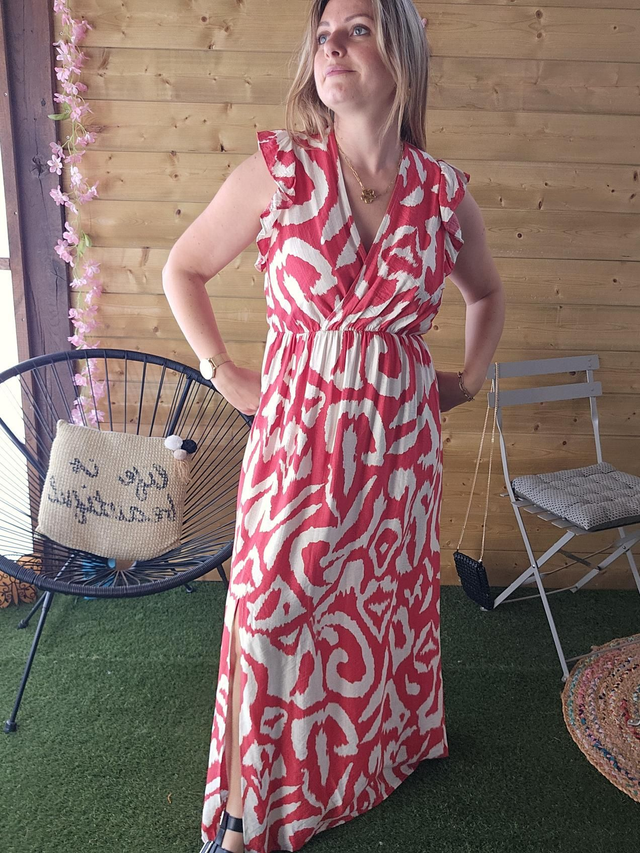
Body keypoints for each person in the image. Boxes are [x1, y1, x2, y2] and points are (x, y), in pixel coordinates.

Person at [162, 0, 505, 851]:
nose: (332, 46)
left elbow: (487, 292)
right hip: (296, 445)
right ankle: (247, 811)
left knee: (380, 610)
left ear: (402, 54)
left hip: (399, 453)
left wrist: (468, 379)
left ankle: (377, 759)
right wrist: (222, 369)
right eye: (323, 34)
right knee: (269, 612)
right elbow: (184, 268)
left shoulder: (442, 194)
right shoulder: (279, 172)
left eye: (356, 29)